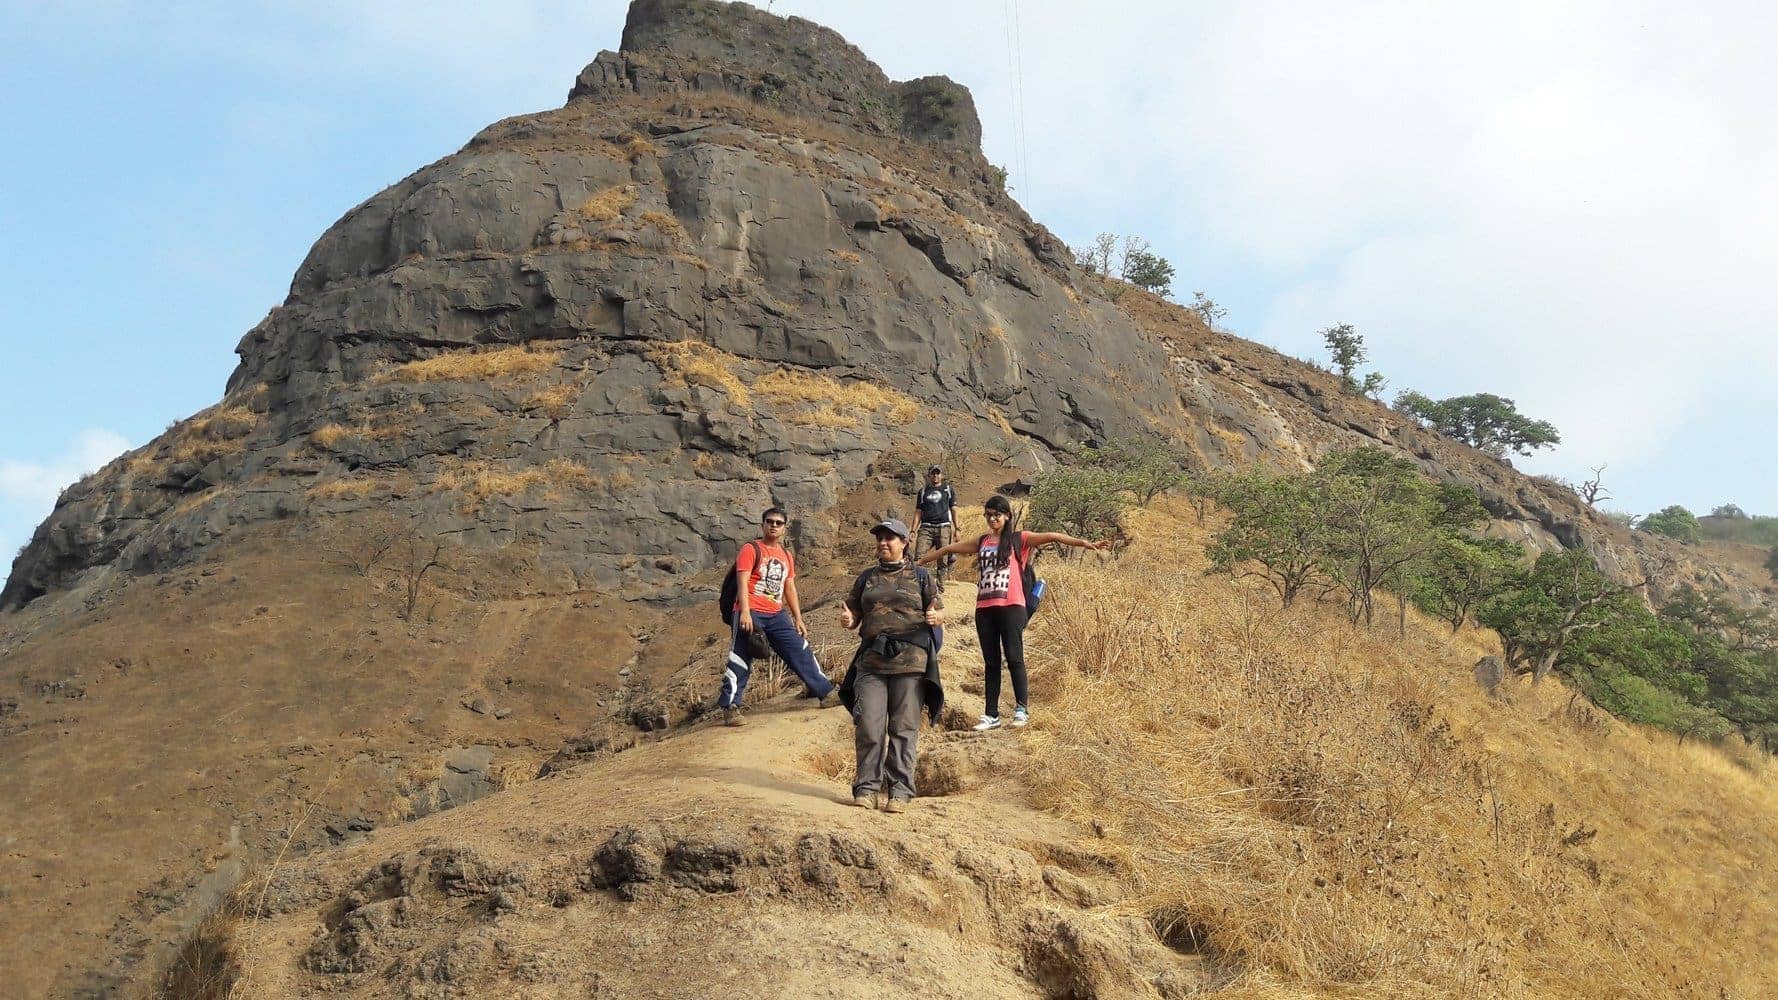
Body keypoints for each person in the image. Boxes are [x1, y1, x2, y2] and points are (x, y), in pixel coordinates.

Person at [917, 494, 1110, 731]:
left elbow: (1053, 536)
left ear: (1007, 516)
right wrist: (921, 562)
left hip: (1012, 606)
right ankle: (991, 715)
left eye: (996, 514)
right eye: (988, 515)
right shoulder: (983, 541)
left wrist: (1084, 543)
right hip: (985, 608)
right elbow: (948, 548)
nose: (992, 519)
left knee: (1015, 657)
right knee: (991, 662)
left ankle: (1021, 709)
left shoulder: (1020, 539)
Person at [836, 519, 945, 812]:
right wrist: (848, 621)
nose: (883, 543)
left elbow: (937, 611)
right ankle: (867, 788)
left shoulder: (921, 576)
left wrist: (936, 618)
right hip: (871, 662)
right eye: (880, 538)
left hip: (911, 662)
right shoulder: (866, 578)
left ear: (904, 542)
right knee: (869, 726)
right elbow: (853, 616)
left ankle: (900, 791)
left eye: (890, 538)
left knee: (903, 728)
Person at [717, 507, 836, 726]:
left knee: (799, 648)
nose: (773, 525)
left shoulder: (786, 556)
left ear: (784, 528)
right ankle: (731, 707)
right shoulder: (751, 549)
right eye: (769, 521)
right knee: (741, 656)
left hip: (776, 613)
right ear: (762, 524)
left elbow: (789, 587)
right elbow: (742, 581)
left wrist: (798, 618)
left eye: (778, 523)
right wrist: (744, 611)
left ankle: (825, 692)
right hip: (750, 610)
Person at [910, 465, 958, 583]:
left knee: (943, 559)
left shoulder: (948, 489)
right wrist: (912, 530)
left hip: (943, 527)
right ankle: (919, 584)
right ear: (929, 475)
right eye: (933, 473)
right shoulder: (923, 491)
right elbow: (918, 512)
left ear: (941, 475)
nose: (935, 475)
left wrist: (957, 528)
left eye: (938, 473)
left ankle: (941, 587)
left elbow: (954, 509)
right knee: (919, 557)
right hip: (926, 528)